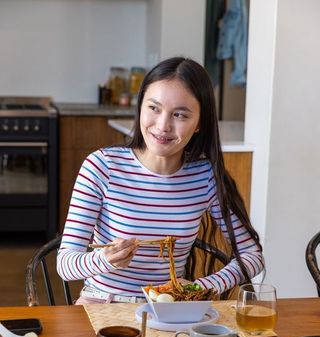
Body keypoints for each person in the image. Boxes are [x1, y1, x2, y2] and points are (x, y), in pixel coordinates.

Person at [57, 56, 264, 304]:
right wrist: (103, 260)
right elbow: (65, 264)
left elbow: (252, 255)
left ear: (199, 123)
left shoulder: (205, 177)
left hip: (171, 311)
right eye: (154, 108)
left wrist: (200, 287)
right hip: (102, 303)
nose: (163, 126)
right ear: (140, 107)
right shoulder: (102, 167)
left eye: (180, 115)